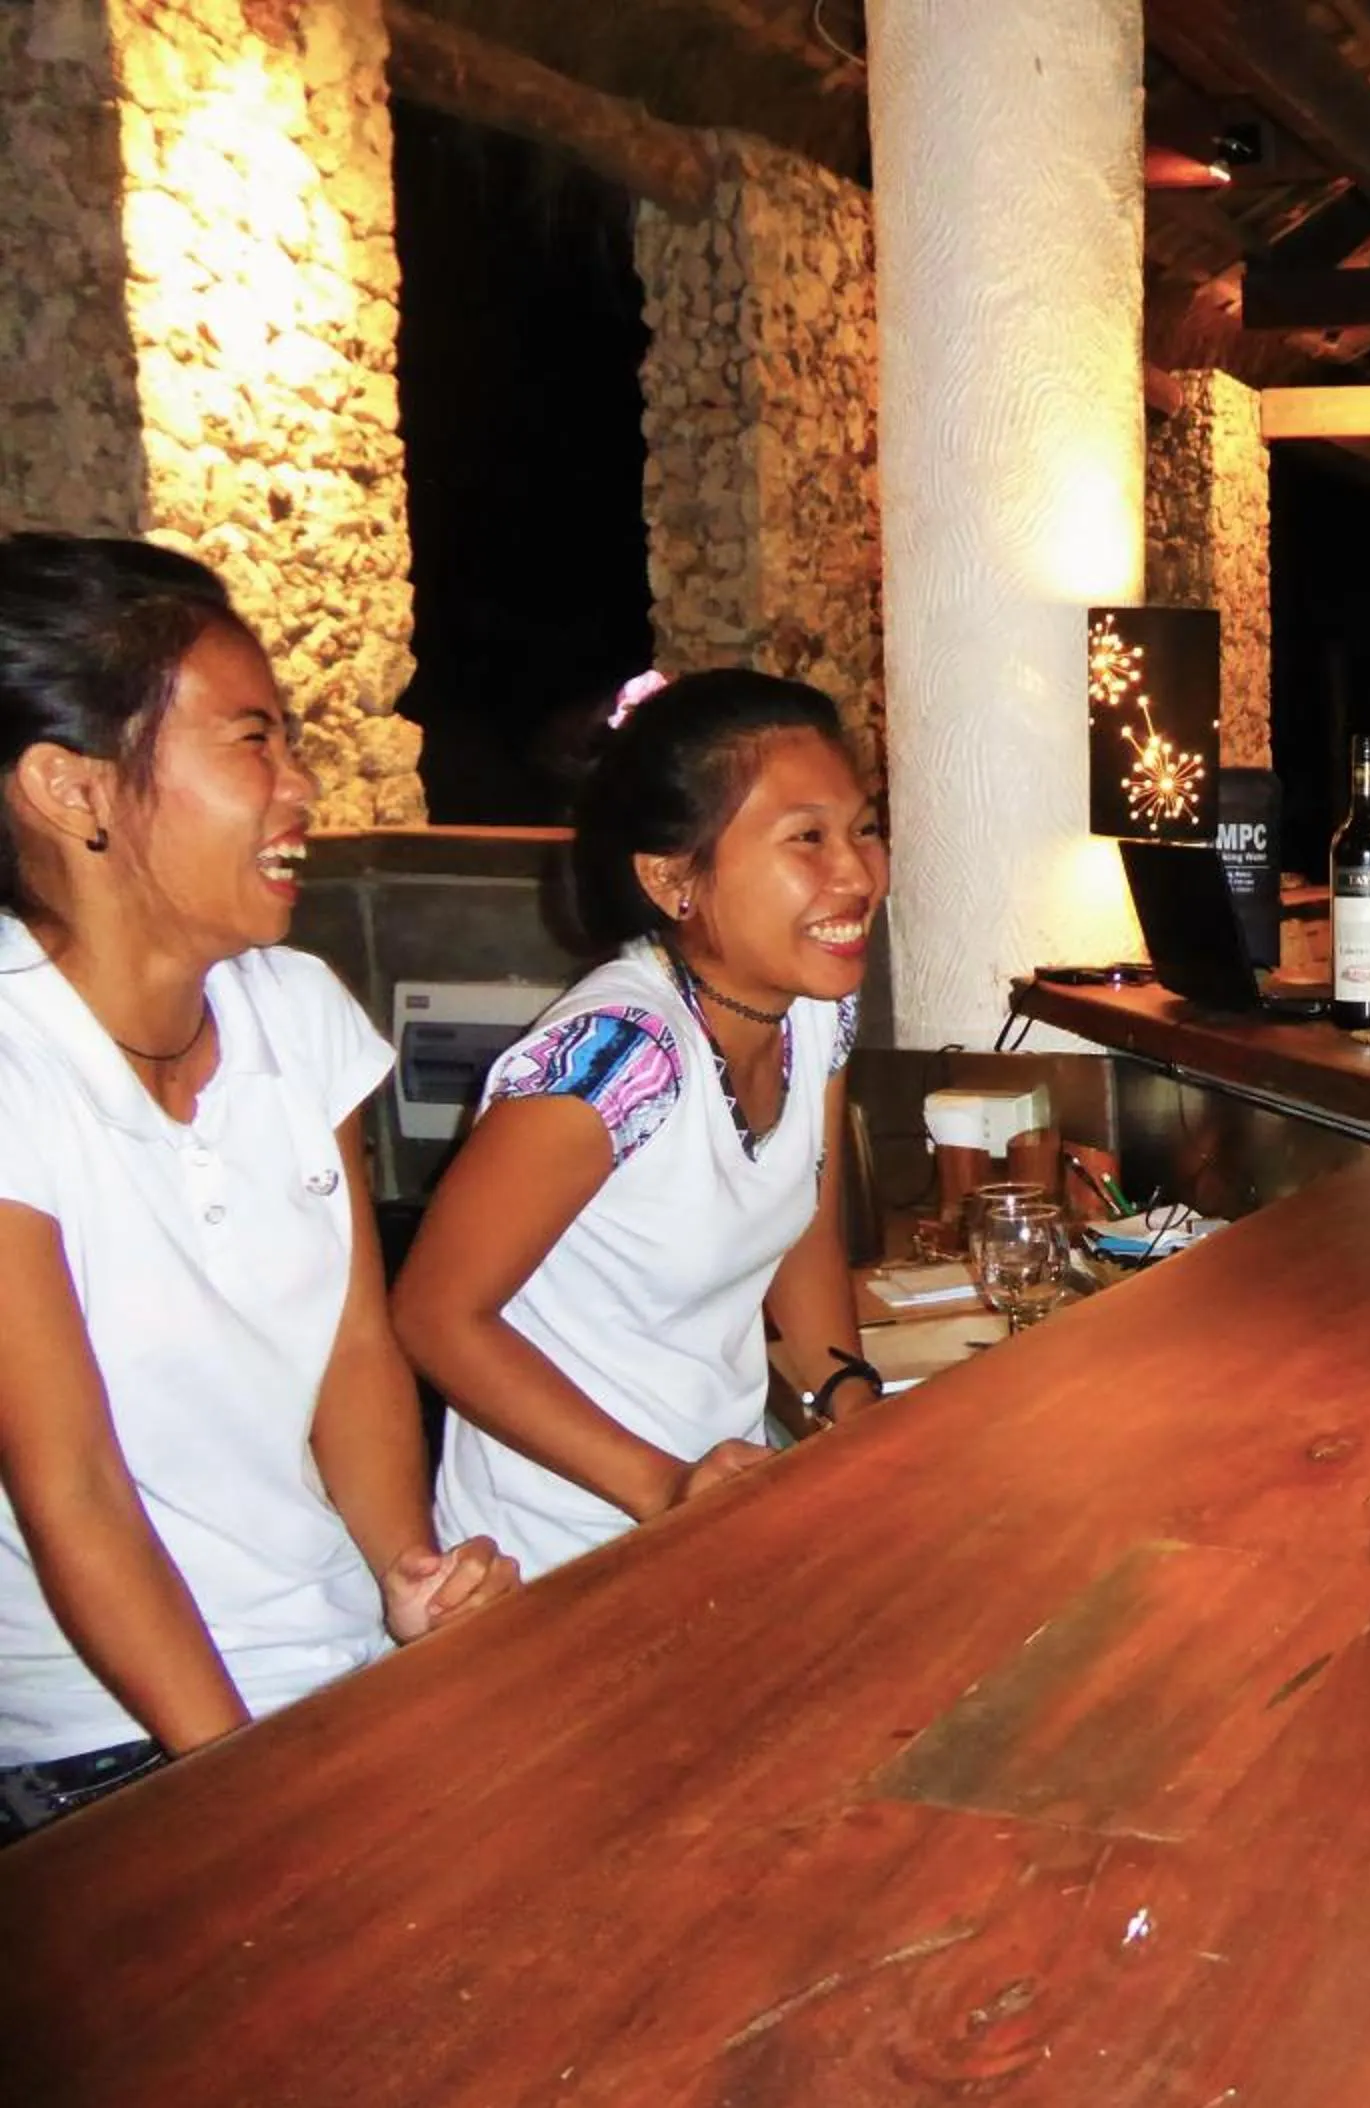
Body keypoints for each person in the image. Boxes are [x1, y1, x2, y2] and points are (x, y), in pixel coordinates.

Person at [0, 534, 515, 1842]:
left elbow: (351, 1346)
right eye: (252, 742)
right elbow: (75, 1485)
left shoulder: (292, 1012)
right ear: (72, 788)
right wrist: (243, 1786)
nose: (300, 788)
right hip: (112, 1740)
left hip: (328, 1662)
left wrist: (409, 1571)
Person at [396, 669, 889, 1580]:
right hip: (558, 1554)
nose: (856, 872)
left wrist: (846, 1393)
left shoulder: (811, 1009)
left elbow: (802, 1222)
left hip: (726, 1504)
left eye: (862, 828)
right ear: (672, 881)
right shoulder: (616, 1057)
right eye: (806, 839)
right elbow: (434, 1315)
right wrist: (663, 1490)